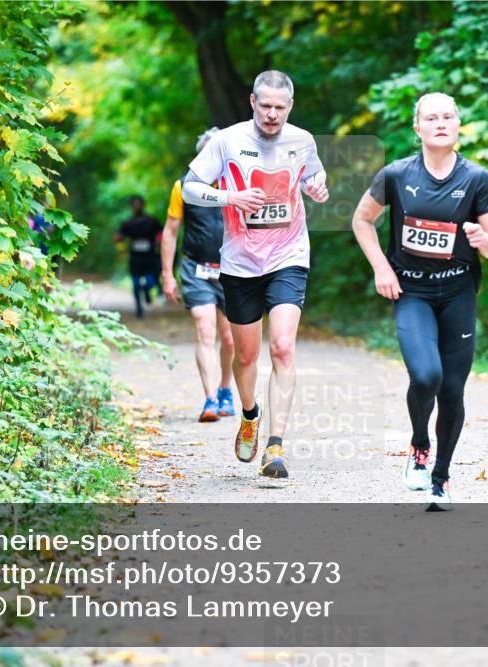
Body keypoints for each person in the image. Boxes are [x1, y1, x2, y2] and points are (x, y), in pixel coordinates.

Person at [351, 92, 488, 510]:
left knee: (452, 389)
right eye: (431, 118)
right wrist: (382, 268)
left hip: (457, 291)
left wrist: (483, 239)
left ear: (458, 126)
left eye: (448, 116)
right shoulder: (397, 174)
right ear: (417, 128)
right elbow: (361, 219)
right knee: (426, 377)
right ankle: (419, 445)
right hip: (411, 291)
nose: (441, 123)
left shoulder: (477, 179)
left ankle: (441, 478)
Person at [181, 70, 329, 479]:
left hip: (289, 255)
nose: (272, 114)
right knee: (246, 355)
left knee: (282, 347)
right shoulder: (226, 141)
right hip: (240, 263)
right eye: (265, 105)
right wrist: (231, 196)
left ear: (290, 107)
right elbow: (190, 188)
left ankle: (275, 447)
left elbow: (314, 175)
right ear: (252, 102)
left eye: (280, 107)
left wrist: (318, 186)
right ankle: (249, 414)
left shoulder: (303, 140)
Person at [161, 127, 237, 422]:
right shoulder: (184, 187)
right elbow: (170, 231)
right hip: (196, 268)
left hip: (232, 270)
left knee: (230, 338)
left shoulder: (236, 185)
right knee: (205, 329)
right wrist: (167, 275)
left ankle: (225, 389)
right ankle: (210, 399)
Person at [116, 195, 163, 318]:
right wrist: (118, 238)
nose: (136, 206)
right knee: (136, 284)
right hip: (135, 258)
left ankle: (147, 291)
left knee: (150, 281)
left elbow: (162, 233)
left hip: (150, 257)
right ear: (131, 206)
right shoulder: (128, 223)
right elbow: (119, 236)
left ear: (143, 205)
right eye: (134, 204)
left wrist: (159, 240)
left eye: (138, 204)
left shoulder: (152, 221)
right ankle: (139, 309)